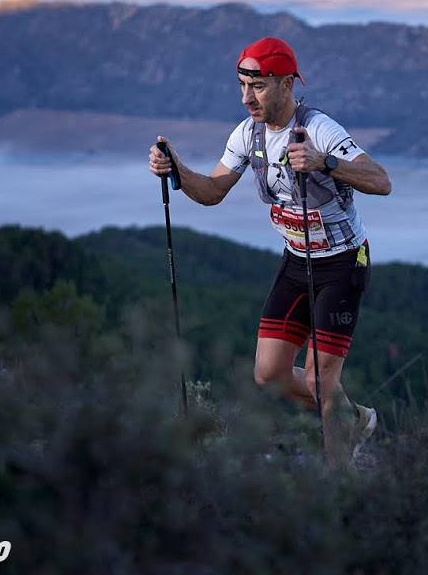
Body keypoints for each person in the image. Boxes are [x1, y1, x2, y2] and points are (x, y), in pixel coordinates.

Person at [148, 36, 392, 464]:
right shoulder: (248, 134)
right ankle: (352, 419)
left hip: (342, 264)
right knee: (269, 373)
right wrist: (177, 169)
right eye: (242, 86)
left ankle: (339, 488)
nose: (247, 98)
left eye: (257, 86)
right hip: (296, 262)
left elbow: (380, 180)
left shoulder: (319, 128)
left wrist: (325, 162)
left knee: (321, 380)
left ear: (285, 84)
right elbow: (212, 191)